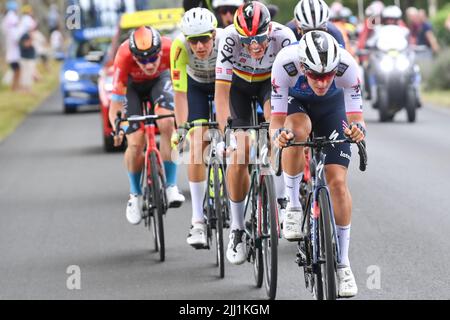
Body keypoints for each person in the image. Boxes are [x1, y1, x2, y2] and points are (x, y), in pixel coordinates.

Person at [270, 30, 366, 298]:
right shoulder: (285, 63)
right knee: (296, 132)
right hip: (297, 104)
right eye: (315, 75)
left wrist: (358, 132)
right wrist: (279, 136)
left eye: (328, 75)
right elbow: (276, 119)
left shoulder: (347, 65)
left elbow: (357, 117)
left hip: (333, 109)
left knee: (337, 183)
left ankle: (343, 263)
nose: (322, 82)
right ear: (303, 67)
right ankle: (292, 204)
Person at [214, 1, 296, 265]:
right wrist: (225, 133)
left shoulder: (284, 37)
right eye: (247, 40)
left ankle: (282, 200)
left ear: (269, 28)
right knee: (240, 153)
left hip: (270, 83)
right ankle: (237, 229)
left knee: (277, 129)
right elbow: (222, 93)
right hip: (238, 85)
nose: (254, 46)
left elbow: (290, 91)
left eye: (260, 38)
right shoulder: (228, 38)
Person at [109, 26, 185, 225]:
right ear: (134, 56)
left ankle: (170, 186)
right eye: (142, 60)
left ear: (160, 51)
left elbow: (181, 89)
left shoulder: (171, 48)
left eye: (153, 58)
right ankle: (134, 195)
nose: (149, 64)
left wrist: (183, 119)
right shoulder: (123, 56)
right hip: (131, 88)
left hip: (160, 82)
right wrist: (117, 127)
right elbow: (115, 102)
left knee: (168, 122)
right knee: (135, 142)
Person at [169, 8, 224, 248]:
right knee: (196, 144)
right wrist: (182, 128)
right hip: (197, 87)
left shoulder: (226, 42)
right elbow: (180, 94)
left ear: (214, 34)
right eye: (194, 41)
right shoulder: (179, 47)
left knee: (238, 140)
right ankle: (198, 221)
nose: (199, 46)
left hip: (225, 83)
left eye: (204, 39)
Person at [1, 0, 21, 91]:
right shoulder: (12, 18)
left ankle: (14, 87)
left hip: (11, 51)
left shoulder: (7, 19)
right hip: (14, 52)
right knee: (17, 70)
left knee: (16, 70)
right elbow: (15, 36)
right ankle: (14, 87)